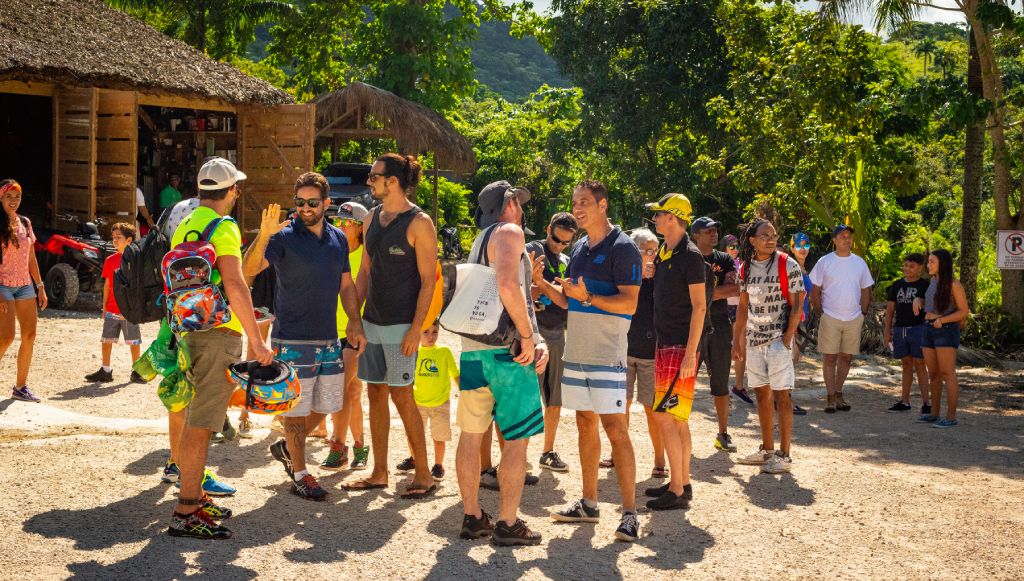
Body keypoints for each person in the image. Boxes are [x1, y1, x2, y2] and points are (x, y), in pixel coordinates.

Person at [166, 158, 274, 540]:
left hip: (190, 329)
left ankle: (193, 498)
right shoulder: (224, 227)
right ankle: (186, 511)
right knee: (202, 424)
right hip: (217, 335)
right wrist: (257, 339)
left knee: (195, 417)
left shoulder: (186, 224)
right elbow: (236, 282)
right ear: (232, 192)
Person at [242, 172, 364, 501]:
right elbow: (248, 269)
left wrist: (355, 320)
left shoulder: (338, 239)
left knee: (329, 403)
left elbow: (346, 285)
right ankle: (300, 474)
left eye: (312, 202)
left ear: (326, 203)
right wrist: (264, 235)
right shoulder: (282, 238)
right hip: (292, 338)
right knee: (294, 410)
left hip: (328, 338)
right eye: (299, 202)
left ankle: (287, 446)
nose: (305, 208)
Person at [455, 180, 549, 546]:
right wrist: (529, 336)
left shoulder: (480, 239)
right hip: (507, 352)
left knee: (471, 433)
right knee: (517, 439)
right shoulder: (509, 232)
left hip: (473, 347)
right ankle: (508, 523)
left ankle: (472, 515)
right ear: (508, 204)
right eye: (518, 202)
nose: (522, 208)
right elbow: (509, 285)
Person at [550, 180, 642, 543]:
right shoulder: (581, 248)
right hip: (577, 354)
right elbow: (570, 300)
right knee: (585, 425)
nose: (577, 208)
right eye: (574, 202)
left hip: (608, 356)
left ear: (603, 205)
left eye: (585, 202)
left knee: (616, 431)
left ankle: (630, 514)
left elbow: (629, 304)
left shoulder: (624, 248)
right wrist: (542, 285)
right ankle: (589, 503)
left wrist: (587, 298)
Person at [342, 153, 437, 499]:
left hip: (402, 327)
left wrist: (417, 328)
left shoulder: (419, 222)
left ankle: (424, 475)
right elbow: (364, 272)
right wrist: (356, 320)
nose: (369, 182)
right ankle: (379, 472)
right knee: (375, 392)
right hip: (372, 323)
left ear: (392, 181)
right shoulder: (370, 219)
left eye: (373, 176)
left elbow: (429, 281)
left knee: (402, 395)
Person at [639, 194, 706, 511]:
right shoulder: (666, 253)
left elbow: (700, 306)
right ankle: (682, 481)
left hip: (680, 347)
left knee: (666, 416)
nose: (655, 218)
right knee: (676, 419)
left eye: (660, 214)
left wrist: (691, 352)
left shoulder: (690, 256)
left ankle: (678, 490)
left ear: (674, 217)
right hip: (665, 344)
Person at [733, 219, 805, 474]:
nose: (771, 239)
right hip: (753, 341)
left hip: (777, 341)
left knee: (782, 395)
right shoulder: (745, 268)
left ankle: (785, 456)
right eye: (765, 235)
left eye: (773, 235)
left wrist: (787, 338)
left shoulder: (787, 264)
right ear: (752, 240)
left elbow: (798, 303)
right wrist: (738, 339)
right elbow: (743, 305)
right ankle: (767, 450)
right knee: (761, 394)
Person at [321, 201, 371, 470]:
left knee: (340, 389)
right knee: (352, 392)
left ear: (361, 227)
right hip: (330, 332)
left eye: (346, 223)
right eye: (337, 222)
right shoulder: (331, 252)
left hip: (356, 334)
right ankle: (361, 446)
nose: (339, 226)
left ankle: (338, 447)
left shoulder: (366, 256)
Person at [526, 211, 577, 472]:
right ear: (548, 229)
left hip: (557, 335)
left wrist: (541, 285)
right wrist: (539, 288)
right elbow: (519, 288)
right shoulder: (531, 250)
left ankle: (548, 451)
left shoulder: (568, 260)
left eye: (565, 242)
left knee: (554, 398)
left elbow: (566, 301)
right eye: (556, 239)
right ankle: (517, 454)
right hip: (529, 335)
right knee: (524, 396)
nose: (558, 246)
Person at [809, 225, 873, 413]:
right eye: (842, 236)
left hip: (854, 317)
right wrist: (820, 312)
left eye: (849, 236)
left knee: (846, 357)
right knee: (830, 358)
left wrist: (863, 313)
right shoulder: (824, 261)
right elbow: (815, 289)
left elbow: (866, 289)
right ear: (834, 240)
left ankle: (838, 393)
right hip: (830, 316)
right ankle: (829, 396)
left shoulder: (859, 262)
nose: (846, 239)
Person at [690, 216, 739, 452]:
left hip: (720, 324)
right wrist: (711, 294)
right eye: (708, 231)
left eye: (715, 230)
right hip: (691, 326)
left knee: (721, 381)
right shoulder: (687, 257)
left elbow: (733, 288)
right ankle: (680, 431)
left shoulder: (724, 259)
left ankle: (723, 433)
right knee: (685, 381)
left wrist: (701, 295)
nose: (714, 234)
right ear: (695, 235)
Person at [624, 228, 667, 478]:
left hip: (652, 353)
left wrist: (655, 277)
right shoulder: (623, 273)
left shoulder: (661, 274)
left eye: (654, 250)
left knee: (653, 409)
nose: (652, 255)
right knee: (621, 407)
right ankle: (618, 455)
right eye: (647, 250)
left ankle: (659, 460)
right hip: (625, 349)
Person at [0, 179, 46, 402]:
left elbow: (30, 256)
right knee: (5, 338)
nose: (13, 201)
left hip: (25, 285)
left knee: (30, 335)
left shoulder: (25, 223)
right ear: (0, 198)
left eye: (16, 197)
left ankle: (20, 387)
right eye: (9, 196)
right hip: (2, 285)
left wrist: (40, 286)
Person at [394, 321, 459, 480]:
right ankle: (414, 459)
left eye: (435, 332)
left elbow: (455, 374)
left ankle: (438, 465)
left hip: (440, 403)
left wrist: (465, 391)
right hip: (418, 403)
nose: (431, 337)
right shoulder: (413, 351)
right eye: (426, 332)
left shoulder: (444, 352)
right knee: (413, 435)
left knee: (439, 437)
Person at [84, 222, 147, 384]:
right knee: (106, 340)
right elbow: (107, 285)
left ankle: (136, 371)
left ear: (129, 240)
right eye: (113, 237)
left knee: (134, 341)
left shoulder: (137, 260)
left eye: (119, 237)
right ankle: (106, 370)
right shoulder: (110, 260)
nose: (115, 240)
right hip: (112, 308)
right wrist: (104, 306)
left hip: (130, 310)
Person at [917, 249, 969, 428]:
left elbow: (964, 311)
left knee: (947, 373)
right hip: (928, 329)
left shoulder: (954, 284)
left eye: (932, 261)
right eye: (928, 261)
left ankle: (951, 417)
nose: (928, 265)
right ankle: (934, 414)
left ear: (942, 263)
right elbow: (933, 305)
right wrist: (919, 302)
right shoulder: (933, 281)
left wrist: (942, 320)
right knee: (933, 374)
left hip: (946, 330)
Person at [883, 253, 931, 414]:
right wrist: (887, 332)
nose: (907, 269)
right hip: (900, 329)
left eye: (911, 266)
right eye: (905, 265)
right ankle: (905, 401)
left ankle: (926, 403)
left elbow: (932, 307)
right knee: (905, 365)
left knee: (920, 364)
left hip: (919, 329)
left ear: (920, 268)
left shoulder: (925, 285)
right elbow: (890, 311)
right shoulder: (896, 285)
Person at [724, 234, 754, 406]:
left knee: (740, 348)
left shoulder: (743, 264)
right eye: (731, 246)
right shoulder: (719, 262)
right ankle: (724, 387)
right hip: (721, 308)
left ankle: (738, 386)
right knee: (724, 350)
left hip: (739, 308)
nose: (735, 249)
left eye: (737, 246)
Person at [786, 233, 813, 416]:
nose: (802, 248)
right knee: (788, 360)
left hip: (802, 319)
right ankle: (784, 400)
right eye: (798, 245)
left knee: (793, 360)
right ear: (792, 247)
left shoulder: (803, 268)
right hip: (793, 318)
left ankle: (783, 398)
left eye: (806, 244)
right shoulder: (791, 266)